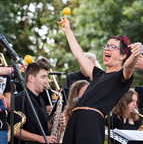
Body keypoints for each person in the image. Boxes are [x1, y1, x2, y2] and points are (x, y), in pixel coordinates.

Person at [57, 16, 142, 144]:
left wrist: (137, 51)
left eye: (112, 47)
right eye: (106, 46)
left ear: (122, 56)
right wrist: (68, 30)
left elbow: (129, 66)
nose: (107, 48)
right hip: (75, 119)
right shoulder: (98, 74)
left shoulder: (122, 76)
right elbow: (79, 56)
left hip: (91, 121)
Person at [13, 57, 65, 144]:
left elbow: (44, 128)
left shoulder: (41, 100)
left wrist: (54, 121)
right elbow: (15, 130)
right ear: (31, 78)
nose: (46, 82)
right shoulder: (19, 99)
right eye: (43, 77)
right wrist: (41, 138)